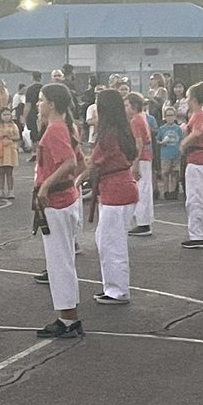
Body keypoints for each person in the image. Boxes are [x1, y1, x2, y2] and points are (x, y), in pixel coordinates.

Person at [33, 83, 84, 339]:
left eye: (41, 100)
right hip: (66, 199)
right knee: (64, 260)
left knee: (59, 262)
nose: (38, 104)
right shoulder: (67, 126)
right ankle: (67, 315)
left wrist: (46, 186)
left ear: (52, 104)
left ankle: (68, 319)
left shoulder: (55, 129)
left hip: (57, 202)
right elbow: (80, 161)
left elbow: (70, 162)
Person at [84, 89, 138, 305]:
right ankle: (114, 287)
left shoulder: (109, 135)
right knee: (108, 239)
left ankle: (118, 290)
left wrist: (78, 176)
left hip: (115, 191)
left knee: (111, 242)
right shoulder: (120, 130)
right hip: (120, 188)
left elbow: (94, 163)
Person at [180, 80, 203, 249]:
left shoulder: (198, 115)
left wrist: (184, 143)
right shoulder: (197, 115)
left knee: (196, 199)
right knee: (201, 198)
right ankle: (202, 233)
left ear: (192, 98)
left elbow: (197, 131)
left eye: (188, 97)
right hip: (200, 161)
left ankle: (199, 235)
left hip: (197, 161)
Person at [124, 93, 155, 236]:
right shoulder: (142, 117)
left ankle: (143, 222)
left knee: (141, 188)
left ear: (134, 106)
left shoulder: (136, 120)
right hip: (145, 157)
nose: (125, 108)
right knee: (144, 188)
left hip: (141, 158)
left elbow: (139, 143)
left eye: (127, 105)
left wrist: (135, 163)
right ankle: (144, 220)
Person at [0, 107, 20, 200]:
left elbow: (17, 137)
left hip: (10, 150)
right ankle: (1, 190)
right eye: (4, 115)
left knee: (9, 172)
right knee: (1, 171)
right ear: (0, 116)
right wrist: (0, 136)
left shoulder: (13, 125)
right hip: (0, 150)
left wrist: (9, 136)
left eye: (8, 114)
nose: (7, 116)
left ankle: (10, 191)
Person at [156, 106, 182, 199]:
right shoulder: (162, 129)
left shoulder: (178, 129)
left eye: (171, 115)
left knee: (175, 173)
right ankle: (166, 191)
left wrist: (180, 151)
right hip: (165, 154)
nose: (170, 117)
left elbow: (182, 141)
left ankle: (173, 191)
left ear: (175, 116)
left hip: (175, 154)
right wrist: (161, 142)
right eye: (168, 115)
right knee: (165, 173)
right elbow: (157, 140)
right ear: (165, 117)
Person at [23, 71, 43, 154]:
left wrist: (24, 117)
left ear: (32, 78)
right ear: (41, 78)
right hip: (42, 112)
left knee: (33, 134)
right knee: (42, 133)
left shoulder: (30, 89)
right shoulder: (44, 88)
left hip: (32, 113)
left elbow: (28, 105)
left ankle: (35, 153)